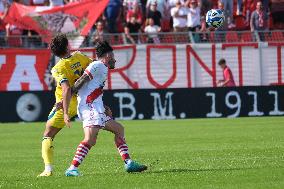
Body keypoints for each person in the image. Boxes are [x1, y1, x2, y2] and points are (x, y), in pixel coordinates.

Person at [64, 41, 147, 176]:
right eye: (113, 56)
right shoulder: (97, 65)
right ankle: (72, 168)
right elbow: (82, 80)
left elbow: (92, 89)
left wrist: (104, 107)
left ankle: (129, 163)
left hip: (96, 107)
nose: (115, 59)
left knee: (119, 129)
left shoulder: (101, 68)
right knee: (90, 139)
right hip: (90, 107)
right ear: (108, 55)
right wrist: (69, 95)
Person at [37, 34, 93, 177]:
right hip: (84, 100)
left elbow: (66, 88)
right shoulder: (80, 56)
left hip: (66, 104)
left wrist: (66, 112)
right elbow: (94, 69)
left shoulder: (58, 68)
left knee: (48, 134)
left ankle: (48, 170)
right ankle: (126, 158)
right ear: (68, 46)